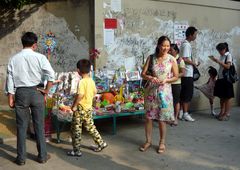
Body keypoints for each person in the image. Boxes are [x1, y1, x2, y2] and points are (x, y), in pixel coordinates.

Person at [5, 32, 55, 165]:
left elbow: (10, 79)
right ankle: (42, 156)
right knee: (39, 125)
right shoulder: (40, 57)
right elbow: (51, 75)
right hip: (37, 92)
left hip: (20, 93)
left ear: (23, 43)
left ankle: (21, 158)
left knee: (21, 126)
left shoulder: (14, 59)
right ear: (35, 45)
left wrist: (10, 96)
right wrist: (46, 91)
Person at [139, 36, 178, 153]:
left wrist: (166, 80)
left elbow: (176, 76)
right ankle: (148, 141)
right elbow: (143, 74)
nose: (166, 48)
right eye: (163, 45)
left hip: (164, 93)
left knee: (162, 118)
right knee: (149, 118)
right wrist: (150, 77)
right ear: (158, 45)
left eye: (168, 46)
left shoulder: (172, 59)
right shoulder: (151, 58)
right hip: (151, 92)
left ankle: (162, 142)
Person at [67, 59, 107, 157]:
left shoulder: (82, 82)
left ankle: (76, 151)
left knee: (76, 129)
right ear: (89, 70)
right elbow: (94, 92)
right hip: (88, 108)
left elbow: (80, 95)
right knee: (90, 127)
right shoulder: (91, 81)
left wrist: (74, 105)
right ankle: (101, 143)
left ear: (78, 70)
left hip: (80, 108)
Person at [209, 42, 234, 121]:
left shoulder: (228, 55)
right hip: (221, 78)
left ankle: (227, 113)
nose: (219, 52)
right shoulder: (222, 56)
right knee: (221, 97)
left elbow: (228, 66)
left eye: (220, 50)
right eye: (218, 51)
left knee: (227, 97)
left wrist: (218, 61)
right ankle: (222, 112)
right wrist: (217, 61)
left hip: (227, 79)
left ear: (224, 49)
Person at [179, 26, 198, 122]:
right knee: (187, 94)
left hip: (185, 73)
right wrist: (194, 63)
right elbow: (185, 59)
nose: (196, 36)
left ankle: (182, 112)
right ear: (190, 35)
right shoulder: (186, 45)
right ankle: (185, 114)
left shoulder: (185, 44)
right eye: (195, 34)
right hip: (187, 74)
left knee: (184, 94)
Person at [169, 44, 185, 126]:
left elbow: (183, 73)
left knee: (176, 101)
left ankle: (175, 118)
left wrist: (174, 76)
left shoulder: (179, 60)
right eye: (169, 50)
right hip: (168, 83)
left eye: (171, 50)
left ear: (176, 51)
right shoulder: (168, 58)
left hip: (176, 83)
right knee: (168, 101)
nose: (169, 51)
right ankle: (169, 117)